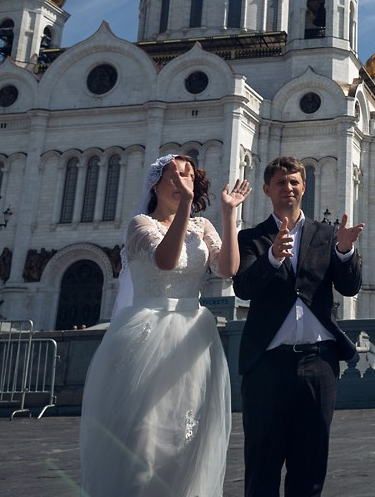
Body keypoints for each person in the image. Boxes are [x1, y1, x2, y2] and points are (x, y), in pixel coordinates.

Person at [80, 154, 251, 497]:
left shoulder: (203, 227)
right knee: (144, 433)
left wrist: (229, 214)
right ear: (155, 184)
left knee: (187, 436)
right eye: (175, 175)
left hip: (192, 333)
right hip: (147, 332)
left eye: (189, 175)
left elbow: (228, 269)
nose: (183, 181)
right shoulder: (140, 224)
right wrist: (186, 205)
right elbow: (166, 261)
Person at [233, 156, 364, 497]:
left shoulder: (327, 234)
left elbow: (349, 287)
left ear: (304, 187)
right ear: (267, 189)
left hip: (318, 363)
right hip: (267, 366)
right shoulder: (251, 238)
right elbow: (243, 287)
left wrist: (345, 251)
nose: (288, 188)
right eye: (280, 182)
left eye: (294, 182)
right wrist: (272, 257)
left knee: (310, 469)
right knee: (261, 467)